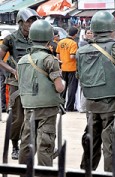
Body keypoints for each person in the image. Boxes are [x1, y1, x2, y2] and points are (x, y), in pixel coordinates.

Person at [76, 11, 115, 172]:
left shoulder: (81, 51)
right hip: (112, 105)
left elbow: (80, 78)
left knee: (90, 142)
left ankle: (86, 172)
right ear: (112, 30)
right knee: (112, 145)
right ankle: (112, 173)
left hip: (91, 104)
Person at [17, 20, 64, 170]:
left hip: (28, 106)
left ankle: (23, 171)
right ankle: (45, 173)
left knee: (27, 141)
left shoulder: (22, 60)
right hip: (47, 108)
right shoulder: (50, 59)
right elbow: (59, 87)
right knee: (45, 142)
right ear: (49, 38)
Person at [0, 8, 40, 160]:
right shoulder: (10, 38)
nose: (31, 24)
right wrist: (12, 70)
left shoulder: (37, 37)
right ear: (20, 22)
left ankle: (36, 144)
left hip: (35, 81)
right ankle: (15, 146)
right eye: (28, 21)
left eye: (33, 21)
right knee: (18, 117)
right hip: (17, 82)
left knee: (38, 114)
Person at [56, 26, 79, 111]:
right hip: (72, 68)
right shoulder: (73, 43)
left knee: (63, 88)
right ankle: (69, 107)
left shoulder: (60, 42)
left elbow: (57, 55)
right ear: (75, 34)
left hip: (62, 67)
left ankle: (61, 106)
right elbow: (72, 56)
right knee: (72, 88)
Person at [0, 30, 11, 112]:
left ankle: (3, 106)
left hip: (1, 66)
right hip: (8, 66)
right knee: (10, 85)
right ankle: (9, 106)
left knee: (2, 87)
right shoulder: (9, 44)